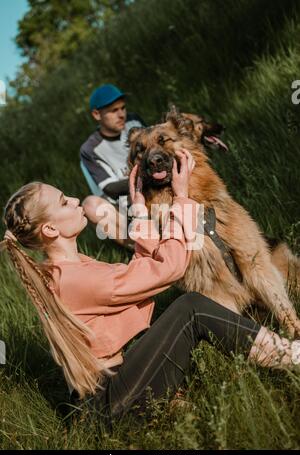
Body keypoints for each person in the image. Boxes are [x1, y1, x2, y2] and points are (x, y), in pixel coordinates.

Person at [1, 149, 300, 427]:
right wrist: (181, 198)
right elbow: (168, 269)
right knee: (191, 308)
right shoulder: (75, 280)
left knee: (185, 309)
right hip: (112, 403)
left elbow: (141, 275)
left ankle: (281, 353)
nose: (77, 201)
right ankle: (291, 357)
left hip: (110, 395)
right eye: (65, 202)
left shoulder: (68, 269)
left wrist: (140, 211)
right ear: (51, 229)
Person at [80, 83, 145, 249]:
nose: (121, 114)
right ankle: (144, 250)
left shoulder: (134, 121)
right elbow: (110, 188)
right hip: (127, 204)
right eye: (114, 111)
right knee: (91, 206)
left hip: (155, 190)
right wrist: (144, 176)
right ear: (96, 114)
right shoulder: (90, 149)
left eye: (123, 108)